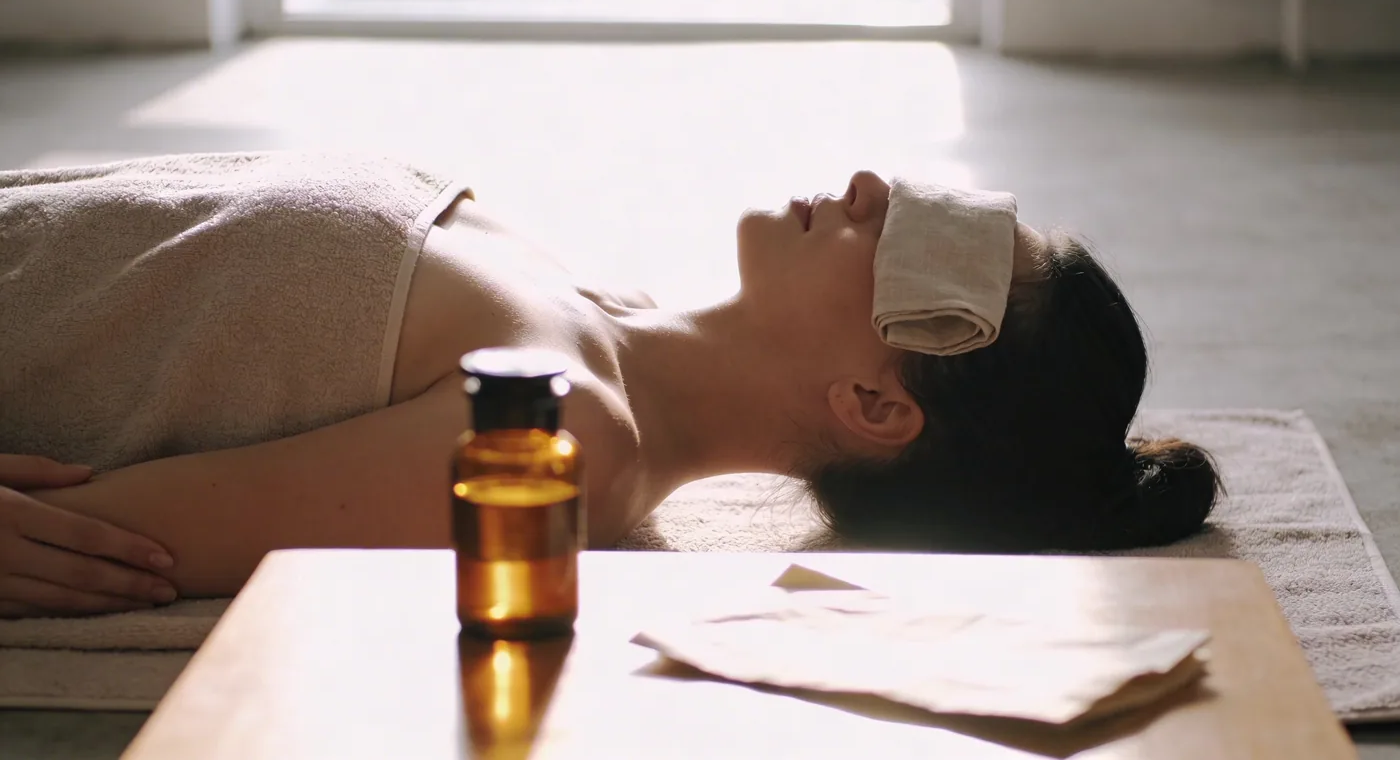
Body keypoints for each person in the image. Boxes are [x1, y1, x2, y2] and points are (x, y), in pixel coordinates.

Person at [0, 154, 1221, 618]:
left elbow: (99, 540)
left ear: (877, 403)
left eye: (930, 246)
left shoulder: (553, 438)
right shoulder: (585, 290)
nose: (868, 184)